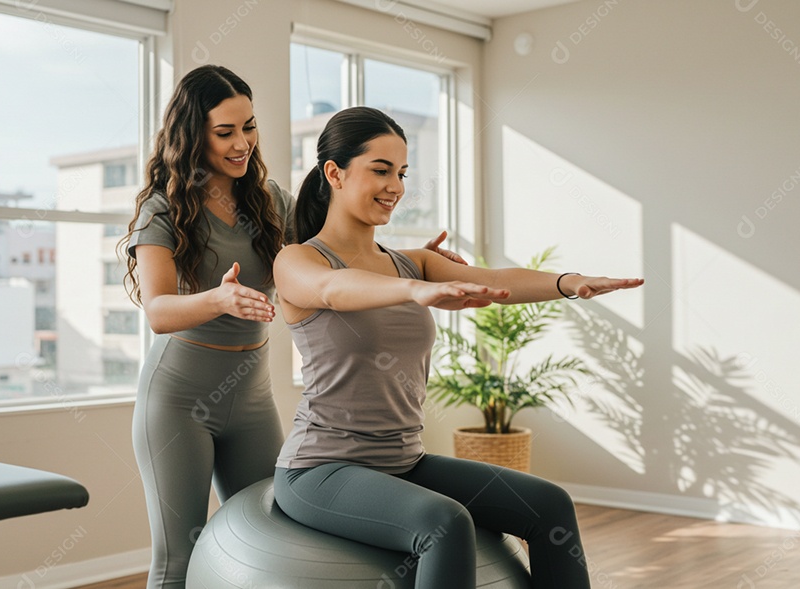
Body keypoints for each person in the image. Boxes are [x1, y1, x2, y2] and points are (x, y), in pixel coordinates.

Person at [120, 66, 466, 589]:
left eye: (250, 127)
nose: (243, 143)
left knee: (270, 541)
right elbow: (158, 311)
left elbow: (330, 256)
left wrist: (406, 260)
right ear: (192, 134)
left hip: (251, 395)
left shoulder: (269, 200)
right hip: (178, 397)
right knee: (179, 557)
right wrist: (219, 297)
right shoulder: (163, 206)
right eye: (225, 132)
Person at [272, 106, 644, 589]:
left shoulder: (412, 262)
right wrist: (414, 292)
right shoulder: (298, 260)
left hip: (405, 461)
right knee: (444, 523)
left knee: (550, 505)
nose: (396, 186)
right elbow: (332, 290)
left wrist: (570, 282)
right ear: (334, 173)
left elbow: (491, 279)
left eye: (401, 173)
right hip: (320, 469)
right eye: (380, 170)